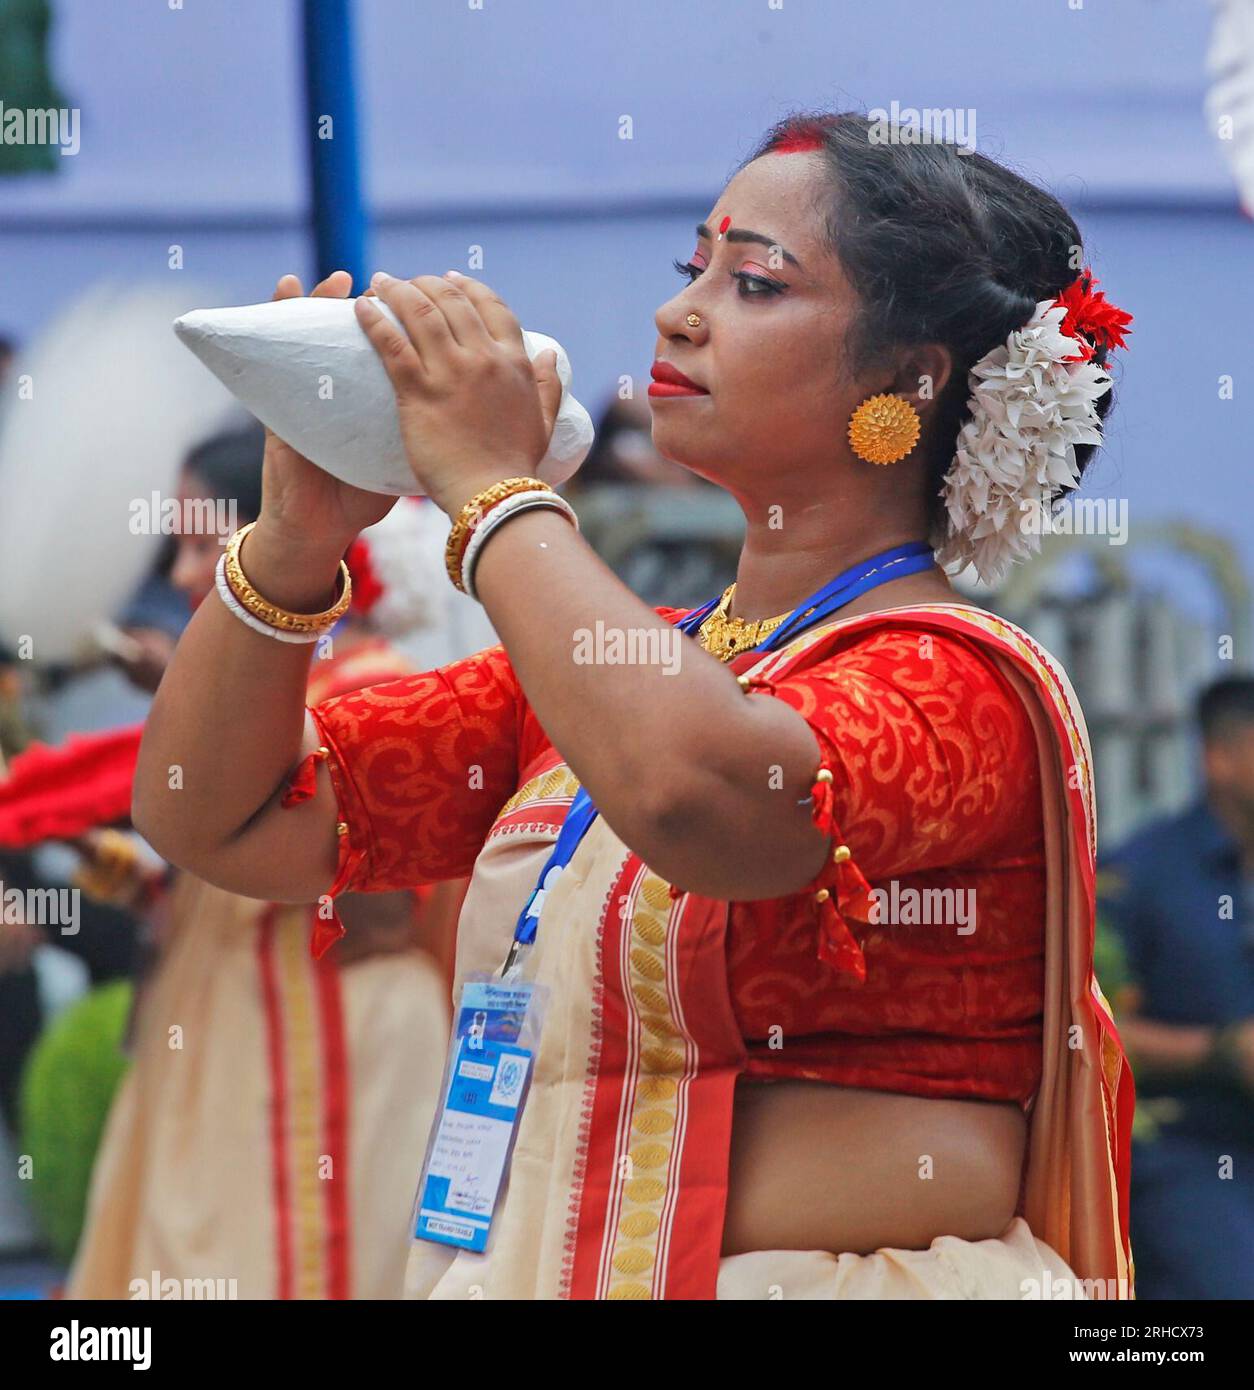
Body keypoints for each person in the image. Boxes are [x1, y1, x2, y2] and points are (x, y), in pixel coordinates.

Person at [132, 110, 1135, 1300]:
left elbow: (700, 795)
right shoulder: (607, 671)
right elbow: (217, 815)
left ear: (906, 378)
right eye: (691, 266)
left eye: (756, 281)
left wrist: (492, 489)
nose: (681, 311)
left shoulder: (960, 679)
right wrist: (297, 539)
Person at [68, 426, 455, 1299]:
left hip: (335, 1041)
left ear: (284, 534)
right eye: (179, 546)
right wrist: (159, 880)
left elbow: (385, 913)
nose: (177, 576)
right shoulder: (297, 694)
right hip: (227, 1039)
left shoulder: (367, 684)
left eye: (203, 544)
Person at [1099, 677, 1254, 1299]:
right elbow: (1093, 1036)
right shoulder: (1137, 875)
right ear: (1219, 757)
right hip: (1191, 1147)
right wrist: (1223, 1052)